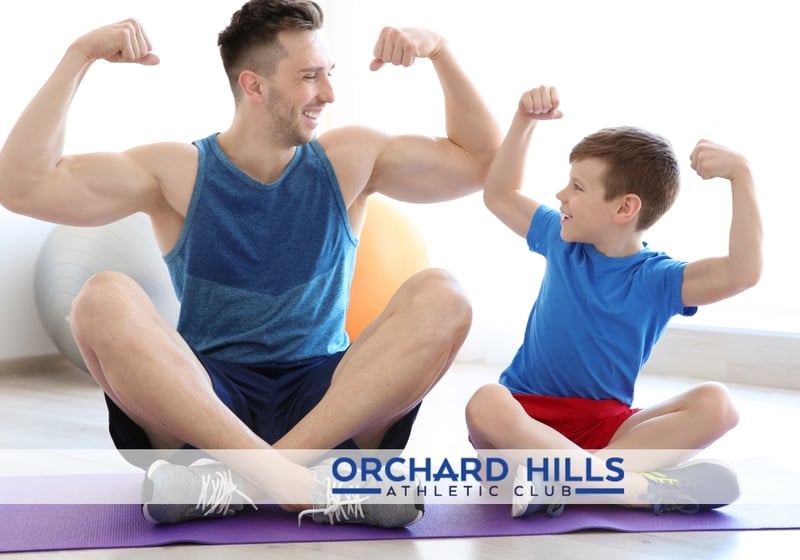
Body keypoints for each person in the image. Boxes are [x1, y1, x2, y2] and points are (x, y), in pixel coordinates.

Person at [0, 1, 501, 527]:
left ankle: (240, 478)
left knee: (445, 294)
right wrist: (77, 56)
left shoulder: (348, 159)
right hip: (205, 404)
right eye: (310, 77)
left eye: (329, 75)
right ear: (254, 86)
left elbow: (483, 163)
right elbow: (22, 186)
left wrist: (440, 52)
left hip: (328, 403)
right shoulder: (180, 171)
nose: (328, 93)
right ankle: (304, 482)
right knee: (100, 297)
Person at [465, 85, 762, 517]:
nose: (561, 195)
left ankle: (574, 482)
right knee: (487, 402)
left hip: (607, 431)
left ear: (624, 209)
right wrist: (523, 121)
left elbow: (742, 272)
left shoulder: (658, 279)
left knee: (718, 404)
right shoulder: (559, 238)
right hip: (524, 425)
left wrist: (742, 174)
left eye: (577, 187)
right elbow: (499, 194)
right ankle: (631, 488)